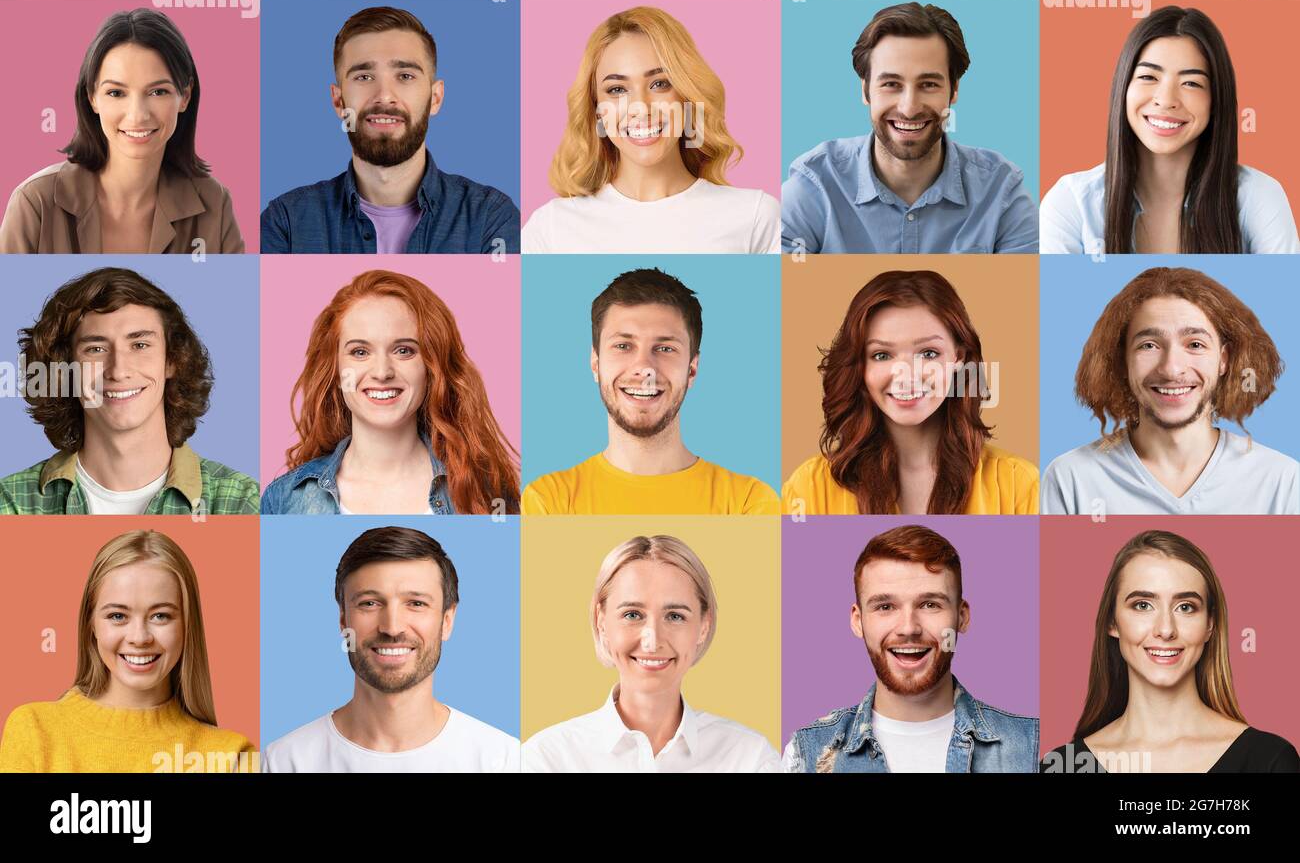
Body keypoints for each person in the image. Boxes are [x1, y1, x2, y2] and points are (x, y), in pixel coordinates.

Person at [781, 2, 1038, 254]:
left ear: (954, 89)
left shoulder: (1001, 190)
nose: (909, 108)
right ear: (865, 90)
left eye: (928, 84)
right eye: (891, 84)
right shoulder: (814, 186)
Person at [260, 6, 520, 254]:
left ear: (436, 97)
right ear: (338, 101)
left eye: (405, 76)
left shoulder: (490, 217)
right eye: (364, 77)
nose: (384, 97)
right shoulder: (287, 222)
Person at [1040, 6, 1298, 254]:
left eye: (1191, 83)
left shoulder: (1260, 196)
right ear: (1124, 88)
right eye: (1148, 77)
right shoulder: (1071, 201)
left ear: (1216, 99)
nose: (1166, 99)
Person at [0, 267, 257, 515]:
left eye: (140, 345)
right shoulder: (13, 503)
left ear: (172, 360)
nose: (118, 371)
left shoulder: (240, 502)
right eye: (96, 349)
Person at [522, 6, 780, 253]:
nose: (641, 108)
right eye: (617, 90)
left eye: (660, 84)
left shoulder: (755, 216)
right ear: (597, 110)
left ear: (687, 98)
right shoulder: (553, 227)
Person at [261, 269, 520, 515]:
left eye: (404, 350)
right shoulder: (284, 499)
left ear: (432, 368)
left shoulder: (488, 491)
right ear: (336, 372)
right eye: (360, 352)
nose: (382, 372)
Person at [1042, 267, 1298, 516]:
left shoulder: (1282, 481)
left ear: (1224, 359)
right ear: (1122, 361)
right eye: (1149, 345)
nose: (1172, 369)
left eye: (1195, 344)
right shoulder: (1070, 478)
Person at [784, 525, 1039, 772]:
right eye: (885, 607)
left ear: (962, 617)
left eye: (929, 605)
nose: (908, 628)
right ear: (858, 621)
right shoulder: (806, 753)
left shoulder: (1032, 747)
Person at [1041, 530, 1299, 773]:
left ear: (1210, 624)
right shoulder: (1063, 765)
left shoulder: (1270, 760)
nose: (1166, 630)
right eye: (1142, 605)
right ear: (1112, 622)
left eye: (1185, 607)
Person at [262, 526, 517, 771]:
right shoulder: (283, 762)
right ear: (343, 619)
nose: (392, 628)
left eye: (416, 603)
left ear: (447, 621)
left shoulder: (502, 760)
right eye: (370, 603)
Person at [524, 268, 778, 514]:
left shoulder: (748, 502)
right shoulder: (548, 501)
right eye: (623, 345)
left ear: (692, 369)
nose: (644, 368)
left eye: (665, 349)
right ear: (595, 363)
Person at [783, 271, 1037, 515]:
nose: (906, 374)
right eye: (881, 355)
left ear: (958, 357)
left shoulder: (1019, 485)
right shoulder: (809, 488)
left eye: (928, 353)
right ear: (860, 367)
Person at [0, 529, 254, 771]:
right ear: (91, 624)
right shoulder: (34, 729)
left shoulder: (233, 758)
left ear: (187, 626)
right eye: (118, 615)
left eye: (161, 616)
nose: (139, 637)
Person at [523, 535, 780, 772]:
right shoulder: (548, 758)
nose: (652, 640)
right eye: (632, 615)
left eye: (675, 616)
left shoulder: (751, 757)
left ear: (703, 626)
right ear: (601, 621)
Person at [0, 8, 244, 254]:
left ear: (185, 96)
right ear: (92, 97)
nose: (138, 115)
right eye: (116, 93)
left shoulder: (215, 204)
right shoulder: (35, 203)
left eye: (158, 91)